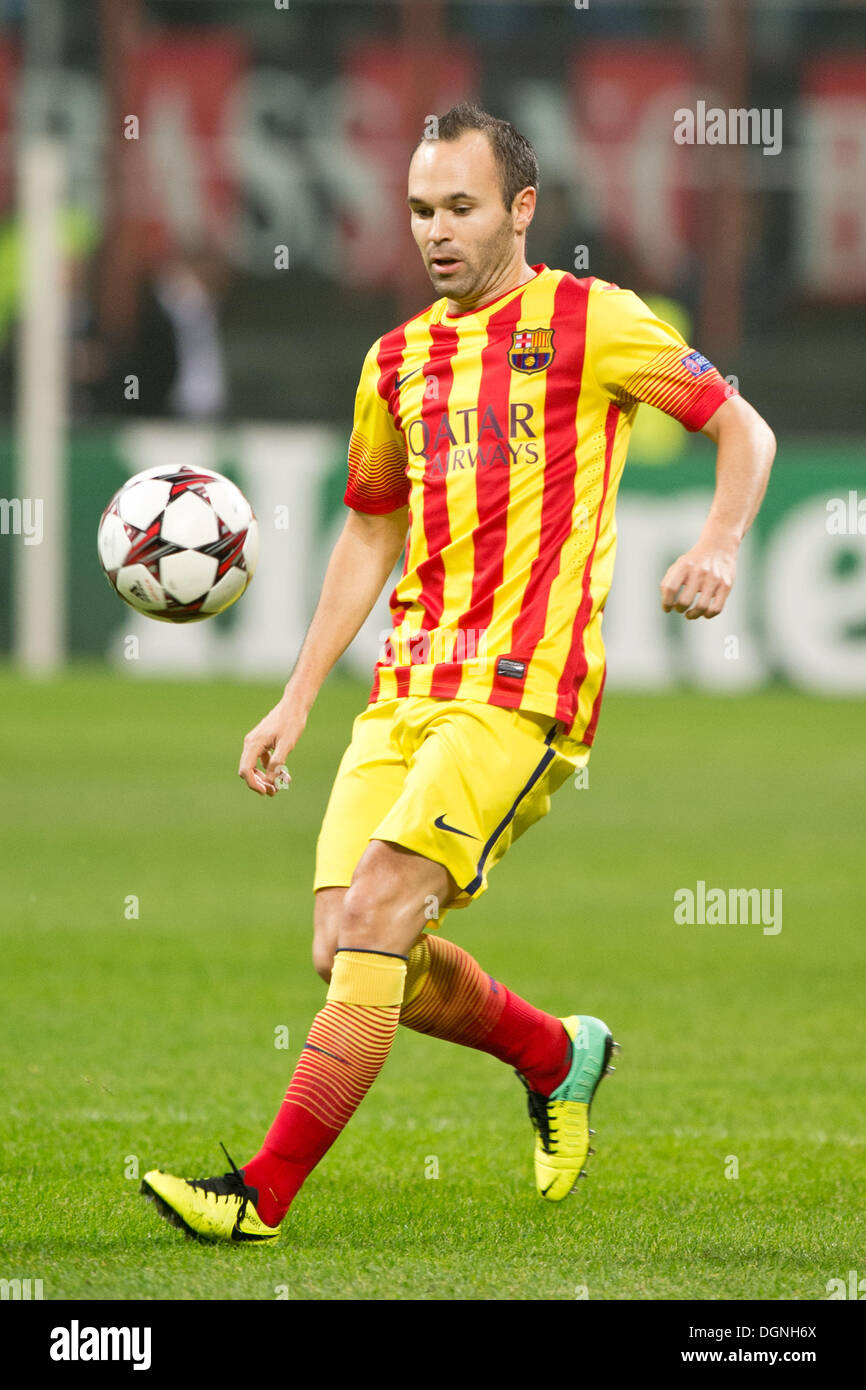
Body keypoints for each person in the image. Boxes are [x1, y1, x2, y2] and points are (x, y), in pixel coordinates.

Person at [141, 102, 775, 1243]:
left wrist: (717, 541)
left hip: (523, 691)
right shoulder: (394, 360)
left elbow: (742, 427)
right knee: (344, 943)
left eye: (460, 208)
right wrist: (294, 695)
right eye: (421, 210)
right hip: (406, 686)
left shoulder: (593, 321)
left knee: (383, 907)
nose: (435, 231)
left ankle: (258, 1198)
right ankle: (555, 1051)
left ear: (520, 209)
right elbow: (370, 533)